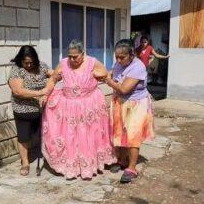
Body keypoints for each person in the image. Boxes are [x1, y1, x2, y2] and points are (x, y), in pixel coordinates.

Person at [41, 39, 116, 179]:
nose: (72, 59)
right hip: (68, 106)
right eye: (69, 55)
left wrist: (99, 76)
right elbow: (53, 80)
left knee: (88, 135)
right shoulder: (64, 63)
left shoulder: (93, 62)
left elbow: (105, 74)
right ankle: (72, 165)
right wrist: (46, 93)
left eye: (75, 56)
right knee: (71, 136)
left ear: (83, 54)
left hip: (89, 105)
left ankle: (89, 165)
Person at [104, 39, 155, 183]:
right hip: (120, 102)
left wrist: (108, 81)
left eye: (122, 57)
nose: (118, 60)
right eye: (117, 57)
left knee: (133, 135)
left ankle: (132, 168)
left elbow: (124, 88)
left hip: (136, 103)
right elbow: (112, 72)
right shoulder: (118, 63)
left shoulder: (137, 67)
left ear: (131, 55)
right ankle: (122, 160)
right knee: (119, 132)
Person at [8, 45, 52, 176]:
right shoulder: (16, 70)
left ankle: (48, 158)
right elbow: (17, 91)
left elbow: (55, 75)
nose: (28, 65)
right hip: (23, 111)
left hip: (41, 110)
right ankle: (25, 162)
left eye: (31, 62)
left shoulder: (42, 67)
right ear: (20, 60)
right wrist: (40, 92)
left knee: (43, 135)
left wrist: (46, 93)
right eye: (25, 62)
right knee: (24, 137)